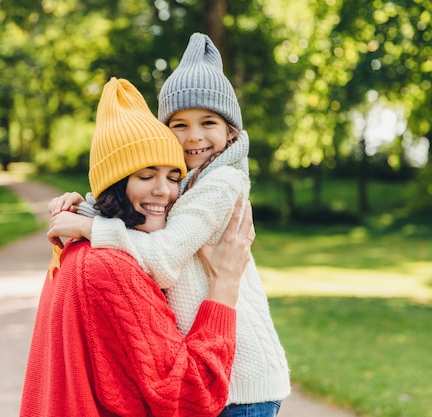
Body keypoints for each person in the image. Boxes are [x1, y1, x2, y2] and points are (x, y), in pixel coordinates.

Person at [48, 33, 291, 417]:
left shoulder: (221, 184)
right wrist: (88, 206)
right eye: (179, 124)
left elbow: (161, 257)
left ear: (231, 132)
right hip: (217, 371)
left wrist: (89, 229)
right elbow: (142, 218)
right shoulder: (187, 182)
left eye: (208, 122)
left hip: (240, 384)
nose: (194, 135)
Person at [20, 77, 257, 417]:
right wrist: (225, 285)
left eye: (173, 177)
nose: (164, 191)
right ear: (115, 184)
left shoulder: (76, 250)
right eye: (146, 176)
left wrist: (86, 214)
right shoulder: (111, 268)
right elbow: (191, 394)